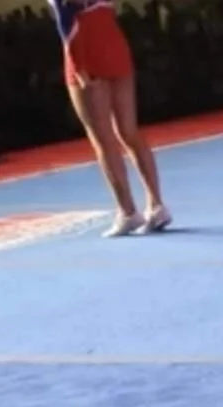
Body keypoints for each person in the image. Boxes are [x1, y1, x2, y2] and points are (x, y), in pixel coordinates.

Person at [49, 0, 169, 237]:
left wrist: (78, 65)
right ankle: (157, 205)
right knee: (129, 130)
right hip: (113, 41)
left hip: (85, 44)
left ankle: (128, 211)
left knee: (103, 139)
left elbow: (66, 21)